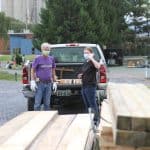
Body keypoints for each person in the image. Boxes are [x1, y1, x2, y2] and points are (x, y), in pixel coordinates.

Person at [78, 47, 101, 127]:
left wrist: (92, 58)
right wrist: (81, 75)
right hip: (84, 86)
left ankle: (96, 120)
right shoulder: (85, 63)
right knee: (87, 104)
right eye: (84, 52)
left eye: (87, 52)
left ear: (91, 53)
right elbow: (85, 72)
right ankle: (90, 119)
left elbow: (98, 66)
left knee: (93, 104)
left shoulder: (93, 62)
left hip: (90, 86)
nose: (85, 54)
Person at [30, 42, 57, 111]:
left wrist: (54, 81)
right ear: (42, 50)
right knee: (37, 103)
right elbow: (32, 70)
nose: (47, 50)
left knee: (47, 103)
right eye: (45, 49)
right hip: (40, 84)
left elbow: (53, 71)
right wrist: (32, 81)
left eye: (48, 49)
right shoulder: (37, 58)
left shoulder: (51, 59)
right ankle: (36, 118)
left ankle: (46, 117)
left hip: (48, 83)